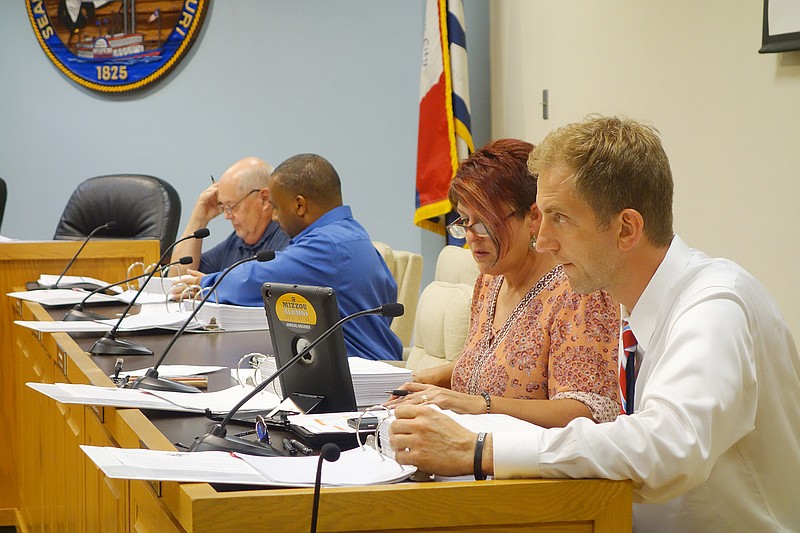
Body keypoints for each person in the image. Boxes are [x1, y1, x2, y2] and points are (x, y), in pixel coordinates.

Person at [388, 116, 800, 532]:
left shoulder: (715, 307)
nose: (543, 240)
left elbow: (666, 446)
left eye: (559, 218)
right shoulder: (629, 303)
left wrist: (480, 449)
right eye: (541, 217)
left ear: (626, 228)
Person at [386, 139, 620, 428]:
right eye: (465, 221)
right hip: (471, 452)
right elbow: (493, 366)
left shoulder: (579, 290)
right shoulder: (489, 281)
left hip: (530, 466)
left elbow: (588, 411)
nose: (472, 236)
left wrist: (479, 406)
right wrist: (429, 379)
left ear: (532, 217)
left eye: (485, 222)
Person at [197, 153, 403, 361]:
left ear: (299, 205)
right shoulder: (353, 234)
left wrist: (202, 282)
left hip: (361, 375)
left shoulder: (325, 246)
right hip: (368, 367)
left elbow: (250, 282)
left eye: (276, 207)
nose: (275, 217)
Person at [170, 157, 289, 276]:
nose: (226, 216)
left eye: (232, 207)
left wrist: (210, 285)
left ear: (264, 199)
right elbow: (177, 278)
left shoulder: (288, 236)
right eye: (224, 207)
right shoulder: (237, 241)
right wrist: (198, 220)